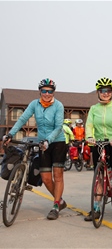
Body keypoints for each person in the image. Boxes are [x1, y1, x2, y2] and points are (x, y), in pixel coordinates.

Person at [2, 78, 67, 220]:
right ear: (40, 91)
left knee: (57, 175)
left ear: (53, 92)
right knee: (45, 178)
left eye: (50, 91)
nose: (47, 93)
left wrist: (48, 140)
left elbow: (58, 127)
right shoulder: (34, 104)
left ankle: (56, 205)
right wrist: (10, 134)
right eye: (44, 90)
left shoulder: (58, 106)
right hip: (42, 142)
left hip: (57, 142)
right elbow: (22, 119)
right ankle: (60, 200)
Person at [84, 77, 112, 222]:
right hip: (98, 144)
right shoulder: (93, 109)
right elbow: (89, 125)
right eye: (103, 91)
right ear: (98, 92)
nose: (105, 93)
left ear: (111, 92)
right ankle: (96, 208)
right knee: (99, 178)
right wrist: (89, 136)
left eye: (108, 91)